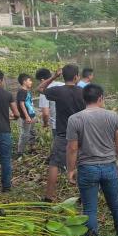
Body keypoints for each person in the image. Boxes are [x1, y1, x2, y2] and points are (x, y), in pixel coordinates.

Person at [65, 84, 118, 236]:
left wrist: (70, 170)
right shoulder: (113, 116)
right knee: (116, 205)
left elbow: (72, 148)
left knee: (90, 208)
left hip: (87, 168)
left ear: (84, 99)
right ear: (100, 98)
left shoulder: (75, 119)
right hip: (109, 166)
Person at [38, 64, 85, 202]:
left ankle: (49, 196)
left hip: (63, 133)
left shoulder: (58, 91)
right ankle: (84, 195)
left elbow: (40, 88)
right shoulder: (83, 91)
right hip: (81, 133)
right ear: (76, 77)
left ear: (63, 76)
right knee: (83, 163)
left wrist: (54, 76)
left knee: (55, 164)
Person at [15, 73, 38, 157]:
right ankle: (20, 152)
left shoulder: (27, 91)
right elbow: (21, 104)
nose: (31, 82)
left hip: (31, 115)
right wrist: (27, 116)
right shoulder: (21, 91)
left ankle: (32, 148)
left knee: (32, 132)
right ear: (24, 82)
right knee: (25, 134)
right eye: (29, 80)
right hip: (26, 117)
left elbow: (29, 104)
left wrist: (33, 115)